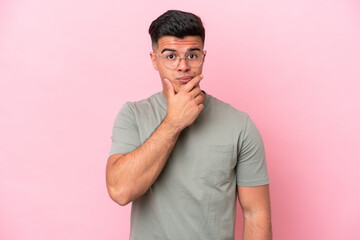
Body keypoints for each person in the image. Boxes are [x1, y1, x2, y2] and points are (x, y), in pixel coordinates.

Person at [106, 10, 272, 240]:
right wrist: (173, 122)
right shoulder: (132, 115)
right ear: (155, 60)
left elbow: (256, 214)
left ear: (203, 57)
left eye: (192, 56)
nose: (183, 66)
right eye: (171, 56)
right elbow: (120, 191)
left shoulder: (240, 125)